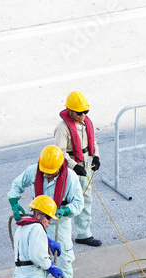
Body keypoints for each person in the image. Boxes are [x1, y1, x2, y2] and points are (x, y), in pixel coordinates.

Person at [8, 145, 84, 278]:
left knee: (63, 263)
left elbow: (78, 204)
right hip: (37, 222)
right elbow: (16, 185)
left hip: (59, 223)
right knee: (32, 259)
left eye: (51, 172)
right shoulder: (34, 171)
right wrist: (14, 203)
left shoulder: (70, 178)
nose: (48, 175)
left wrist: (64, 210)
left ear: (59, 167)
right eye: (45, 172)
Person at [53, 90, 102, 247]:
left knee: (85, 198)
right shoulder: (62, 128)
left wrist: (96, 157)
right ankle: (57, 235)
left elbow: (92, 141)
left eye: (85, 112)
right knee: (66, 200)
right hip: (70, 168)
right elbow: (59, 152)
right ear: (70, 111)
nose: (83, 116)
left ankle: (84, 234)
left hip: (85, 165)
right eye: (79, 113)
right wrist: (74, 166)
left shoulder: (85, 122)